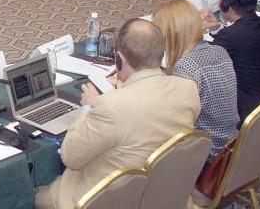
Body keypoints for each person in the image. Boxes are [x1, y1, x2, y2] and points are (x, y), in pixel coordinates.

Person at [34, 19, 199, 209]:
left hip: (105, 200)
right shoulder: (188, 89)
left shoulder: (110, 106)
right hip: (165, 196)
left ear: (119, 59)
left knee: (33, 193)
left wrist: (88, 108)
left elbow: (70, 157)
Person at [155, 0, 239, 160]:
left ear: (170, 34)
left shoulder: (186, 66)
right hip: (230, 143)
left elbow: (174, 123)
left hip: (207, 155)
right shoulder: (219, 51)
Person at [207, 0, 260, 120]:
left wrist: (193, 31)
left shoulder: (230, 36)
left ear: (226, 5)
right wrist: (216, 29)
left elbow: (202, 61)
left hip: (244, 111)